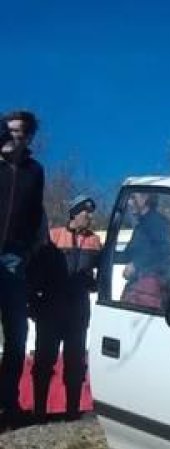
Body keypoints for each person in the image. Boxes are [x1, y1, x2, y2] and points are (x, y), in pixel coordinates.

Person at [29, 195, 103, 421]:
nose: (90, 217)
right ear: (74, 213)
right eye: (85, 212)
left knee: (75, 362)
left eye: (91, 212)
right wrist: (32, 302)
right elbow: (35, 271)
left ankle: (72, 413)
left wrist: (94, 284)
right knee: (44, 360)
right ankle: (39, 412)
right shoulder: (53, 236)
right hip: (50, 310)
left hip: (78, 312)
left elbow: (101, 274)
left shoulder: (95, 241)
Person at [0, 111, 47, 423]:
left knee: (17, 334)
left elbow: (35, 215)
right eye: (7, 130)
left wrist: (29, 250)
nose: (9, 135)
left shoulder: (34, 171)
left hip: (15, 258)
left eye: (16, 131)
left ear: (27, 137)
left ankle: (9, 403)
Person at [120, 191, 170, 310]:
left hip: (150, 290)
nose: (129, 203)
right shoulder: (140, 225)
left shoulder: (157, 221)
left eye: (133, 197)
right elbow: (128, 254)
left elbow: (166, 248)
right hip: (139, 287)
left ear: (145, 198)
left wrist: (136, 264)